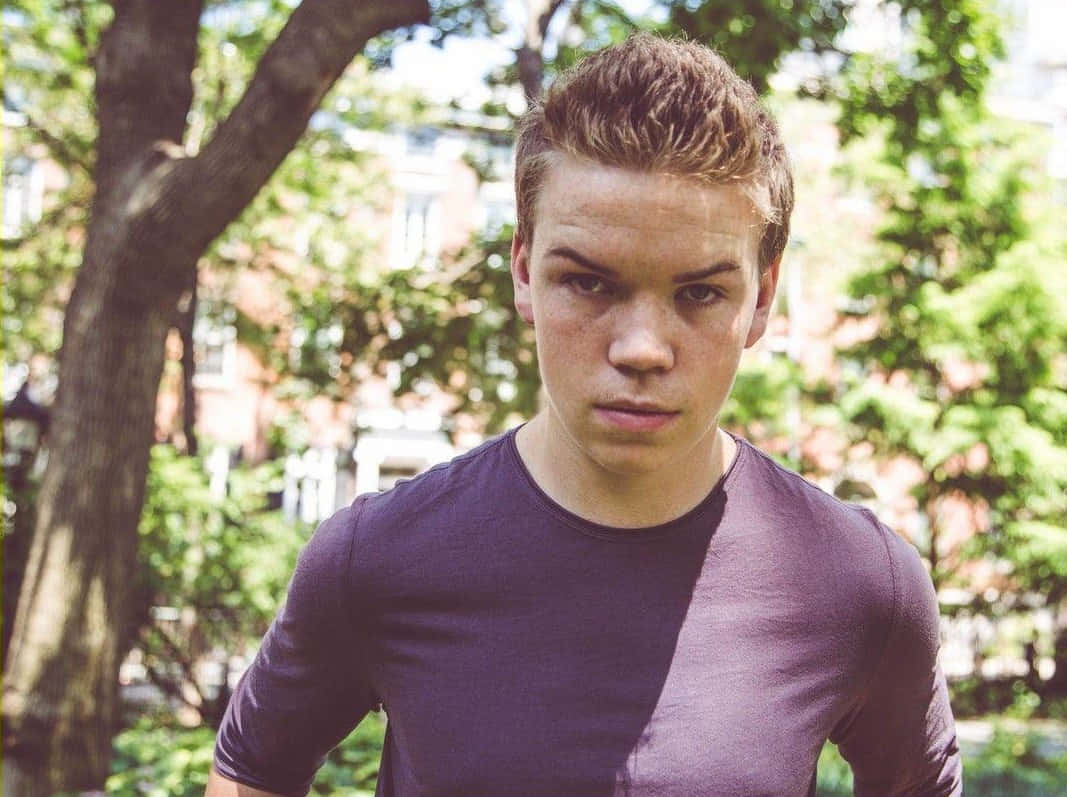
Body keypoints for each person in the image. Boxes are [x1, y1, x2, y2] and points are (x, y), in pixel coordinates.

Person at [207, 33, 962, 797]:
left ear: (761, 298)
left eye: (700, 293)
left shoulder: (861, 582)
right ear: (523, 272)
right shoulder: (373, 557)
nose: (641, 349)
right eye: (589, 283)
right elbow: (249, 775)